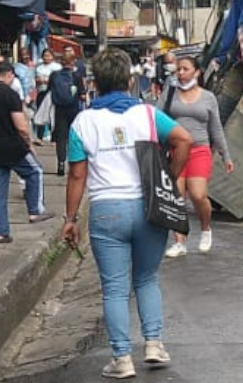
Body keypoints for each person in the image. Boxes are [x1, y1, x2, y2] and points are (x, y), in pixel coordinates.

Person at [62, 48, 193, 378]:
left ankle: (121, 359)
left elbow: (77, 175)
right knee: (147, 279)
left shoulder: (84, 121)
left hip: (107, 211)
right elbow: (183, 139)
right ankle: (153, 344)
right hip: (147, 206)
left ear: (95, 82)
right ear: (130, 80)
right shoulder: (147, 115)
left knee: (115, 288)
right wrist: (170, 178)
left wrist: (70, 218)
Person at [159, 56, 234, 258]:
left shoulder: (208, 97)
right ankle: (180, 242)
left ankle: (206, 228)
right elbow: (156, 119)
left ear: (197, 72)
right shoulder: (169, 94)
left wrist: (225, 155)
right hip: (176, 151)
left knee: (198, 194)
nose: (180, 73)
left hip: (200, 150)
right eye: (178, 70)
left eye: (185, 69)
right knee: (177, 197)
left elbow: (216, 128)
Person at [0, 62, 49, 244]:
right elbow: (21, 126)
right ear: (8, 75)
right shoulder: (10, 95)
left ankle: (1, 231)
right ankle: (35, 211)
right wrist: (29, 144)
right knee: (35, 171)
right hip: (12, 146)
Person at [49, 51, 83, 177]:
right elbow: (82, 95)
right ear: (73, 62)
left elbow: (50, 89)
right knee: (73, 137)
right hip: (73, 109)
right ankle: (74, 163)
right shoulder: (76, 76)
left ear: (61, 62)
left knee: (61, 138)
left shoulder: (54, 75)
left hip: (59, 109)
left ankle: (61, 163)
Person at [34, 48, 61, 142]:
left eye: (49, 55)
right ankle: (39, 137)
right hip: (41, 92)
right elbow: (36, 79)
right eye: (45, 56)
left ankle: (54, 137)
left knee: (52, 115)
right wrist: (39, 80)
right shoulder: (39, 67)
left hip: (52, 92)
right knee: (40, 113)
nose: (47, 58)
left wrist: (46, 80)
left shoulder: (57, 67)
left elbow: (56, 80)